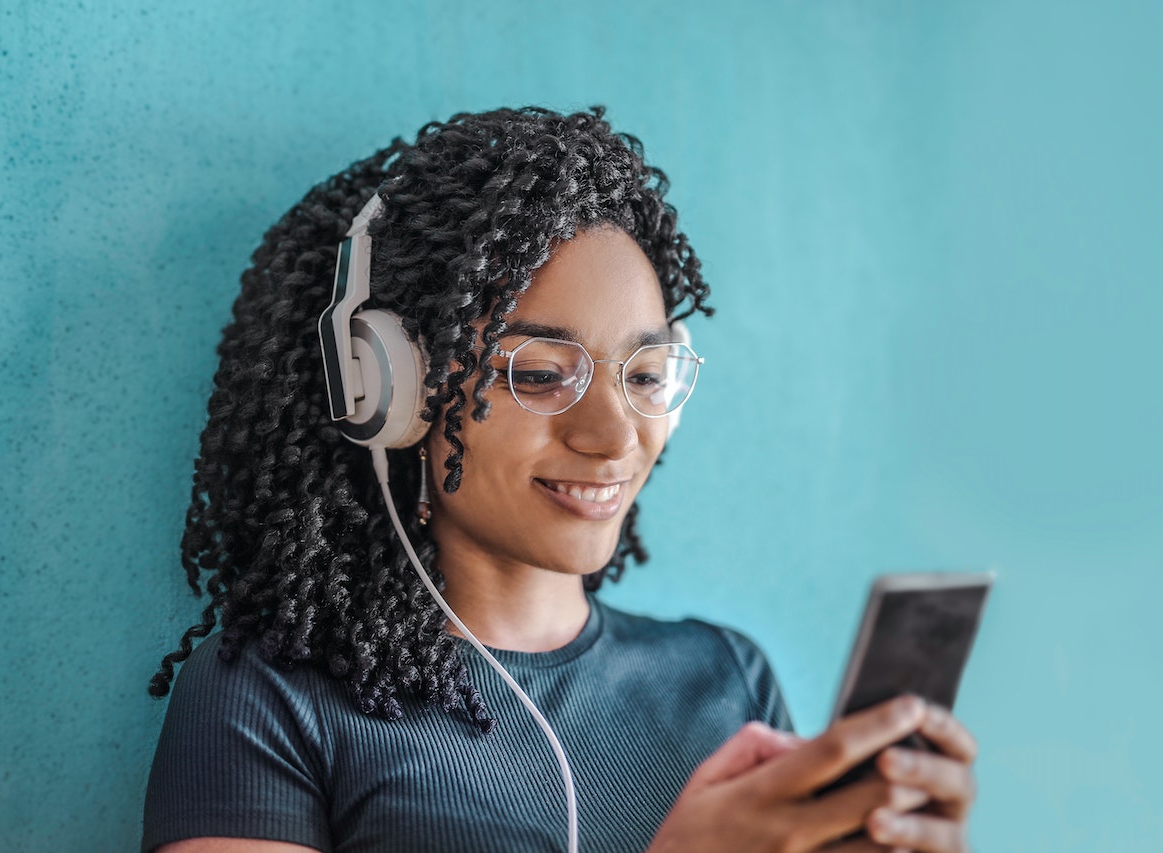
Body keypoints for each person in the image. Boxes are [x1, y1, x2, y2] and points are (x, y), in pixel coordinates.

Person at [143, 106, 977, 853]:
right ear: (388, 391)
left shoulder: (727, 680)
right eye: (540, 374)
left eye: (645, 375)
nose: (613, 436)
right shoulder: (270, 696)